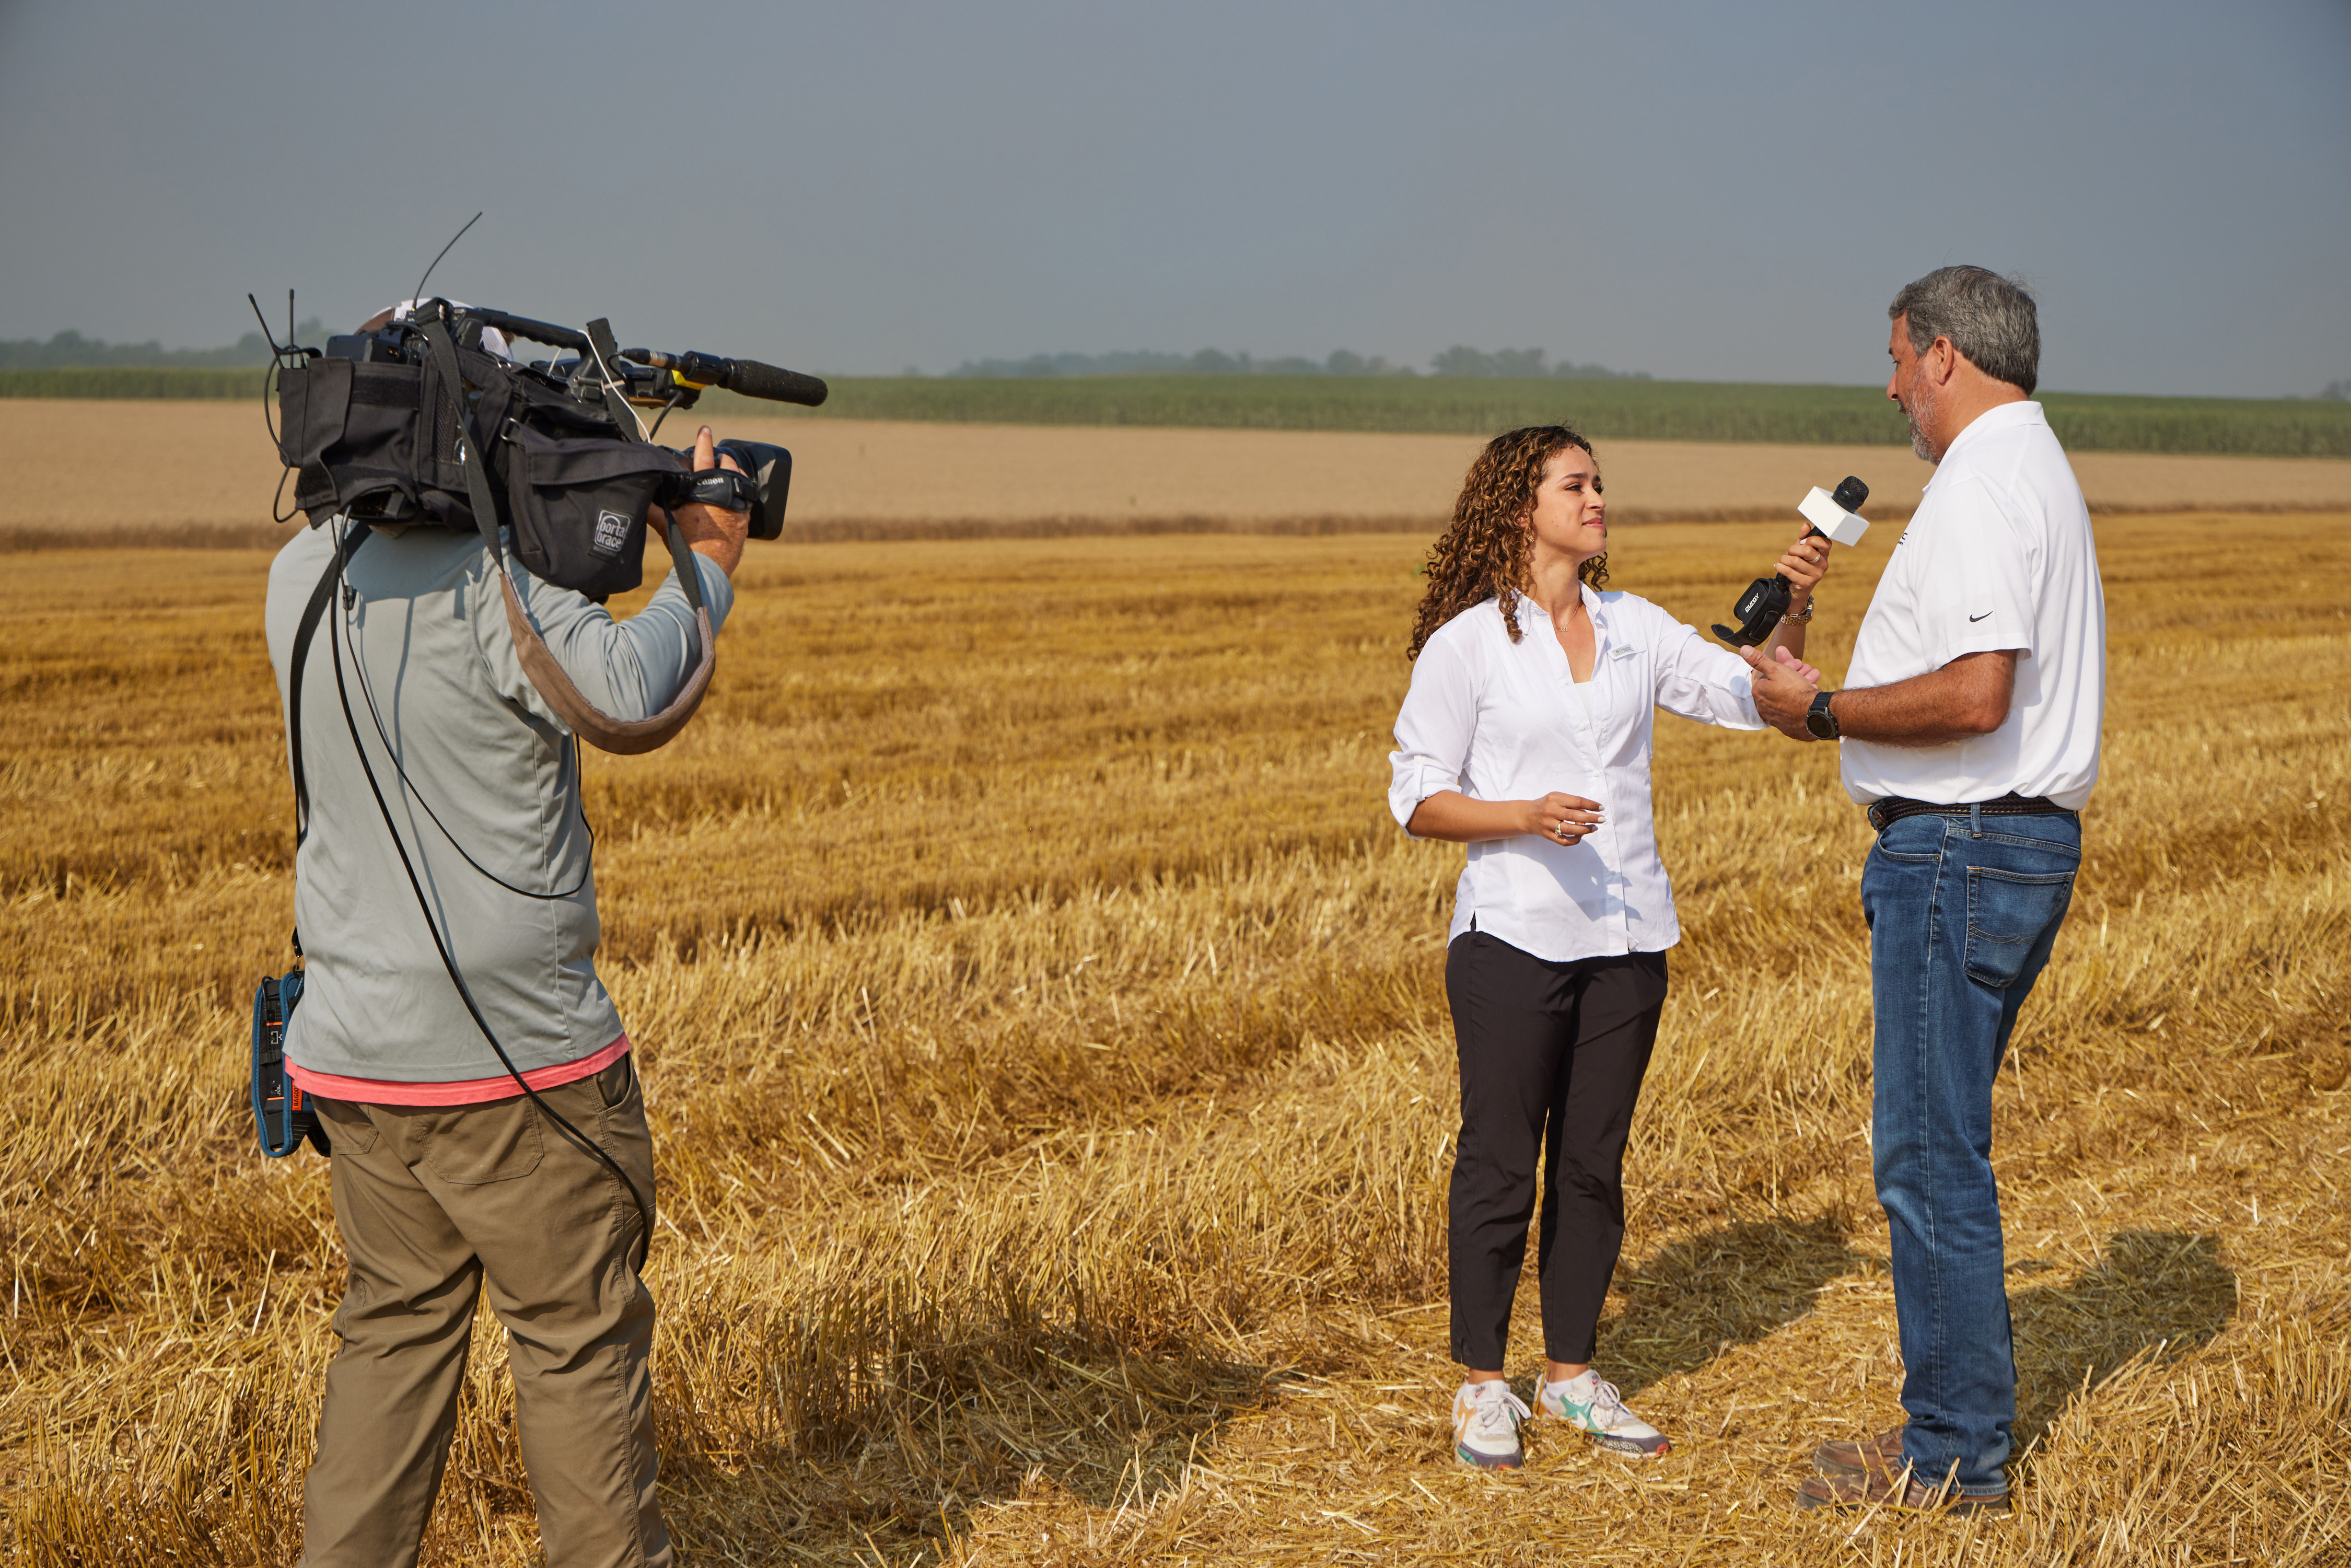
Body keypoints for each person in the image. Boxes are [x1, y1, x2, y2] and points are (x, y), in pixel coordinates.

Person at [265, 325, 752, 1566]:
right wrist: (704, 561)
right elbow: (631, 688)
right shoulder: (505, 588)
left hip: (355, 1064)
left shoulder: (300, 574)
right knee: (578, 1346)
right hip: (520, 1072)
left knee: (391, 1333)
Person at [1388, 425, 1830, 1469]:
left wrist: (1796, 600)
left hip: (1631, 939)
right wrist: (1524, 814)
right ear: (1518, 508)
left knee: (1592, 1164)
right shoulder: (1468, 646)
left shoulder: (1635, 626)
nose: (1597, 499)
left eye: (1598, 483)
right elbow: (1416, 797)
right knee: (1500, 1162)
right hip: (1513, 940)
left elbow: (1748, 695)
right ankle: (1483, 1386)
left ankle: (1574, 1375)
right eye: (1574, 485)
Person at [1742, 266, 2106, 1515]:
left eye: (1899, 359)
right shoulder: (2022, 467)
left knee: (1927, 1156)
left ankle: (1953, 1457)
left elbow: (1976, 695)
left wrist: (1826, 707)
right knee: (1936, 1145)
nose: (1892, 385)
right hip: (1987, 844)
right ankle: (1959, 1435)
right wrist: (1799, 645)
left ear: (1945, 353)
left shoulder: (1990, 479)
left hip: (1959, 848)